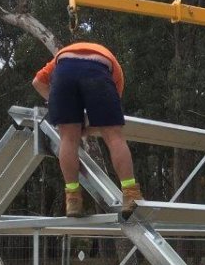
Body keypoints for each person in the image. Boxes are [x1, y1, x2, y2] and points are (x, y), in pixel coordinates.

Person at [32, 41, 140, 217]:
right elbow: (108, 115)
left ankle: (73, 199)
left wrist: (57, 105)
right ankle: (130, 194)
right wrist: (89, 125)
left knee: (68, 139)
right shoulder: (116, 72)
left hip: (64, 69)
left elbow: (37, 82)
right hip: (100, 66)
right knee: (114, 137)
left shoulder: (63, 56)